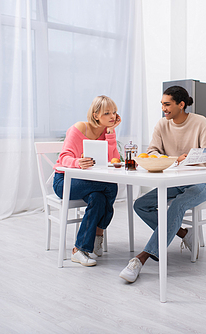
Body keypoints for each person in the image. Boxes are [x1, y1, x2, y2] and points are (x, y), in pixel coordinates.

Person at [119, 86, 206, 282]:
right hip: (174, 182)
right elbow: (151, 152)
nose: (163, 108)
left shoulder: (200, 122)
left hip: (203, 183)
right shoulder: (161, 125)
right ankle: (184, 232)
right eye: (162, 104)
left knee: (177, 204)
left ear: (181, 104)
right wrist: (175, 159)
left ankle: (141, 259)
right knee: (140, 204)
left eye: (167, 104)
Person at [53, 95, 121, 267]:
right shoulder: (79, 128)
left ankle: (79, 250)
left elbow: (114, 159)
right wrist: (77, 162)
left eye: (114, 112)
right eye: (107, 113)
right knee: (110, 185)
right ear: (96, 114)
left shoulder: (107, 132)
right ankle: (99, 233)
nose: (112, 116)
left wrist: (111, 133)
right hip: (65, 181)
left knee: (98, 198)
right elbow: (63, 158)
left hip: (90, 181)